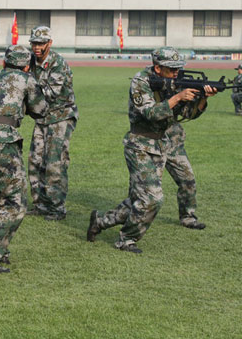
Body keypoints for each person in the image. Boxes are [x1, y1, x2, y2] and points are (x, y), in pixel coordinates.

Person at [87, 47, 216, 254]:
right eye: (171, 69)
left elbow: (185, 114)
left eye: (178, 69)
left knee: (141, 198)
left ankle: (101, 221)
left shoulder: (173, 82)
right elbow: (150, 113)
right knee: (152, 198)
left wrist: (203, 99)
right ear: (157, 68)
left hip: (162, 144)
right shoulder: (141, 81)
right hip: (140, 145)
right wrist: (178, 97)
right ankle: (126, 239)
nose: (176, 73)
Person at [0, 45, 47, 273]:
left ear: (4, 63)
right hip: (3, 140)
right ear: (26, 66)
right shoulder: (26, 79)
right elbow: (41, 109)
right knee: (16, 202)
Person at [26, 26, 78, 221]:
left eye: (41, 43)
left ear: (49, 43)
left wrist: (24, 90)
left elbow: (48, 93)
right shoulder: (29, 61)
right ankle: (40, 204)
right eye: (34, 43)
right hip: (42, 118)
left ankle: (57, 208)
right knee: (35, 160)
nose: (37, 47)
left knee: (54, 162)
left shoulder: (58, 64)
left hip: (60, 116)